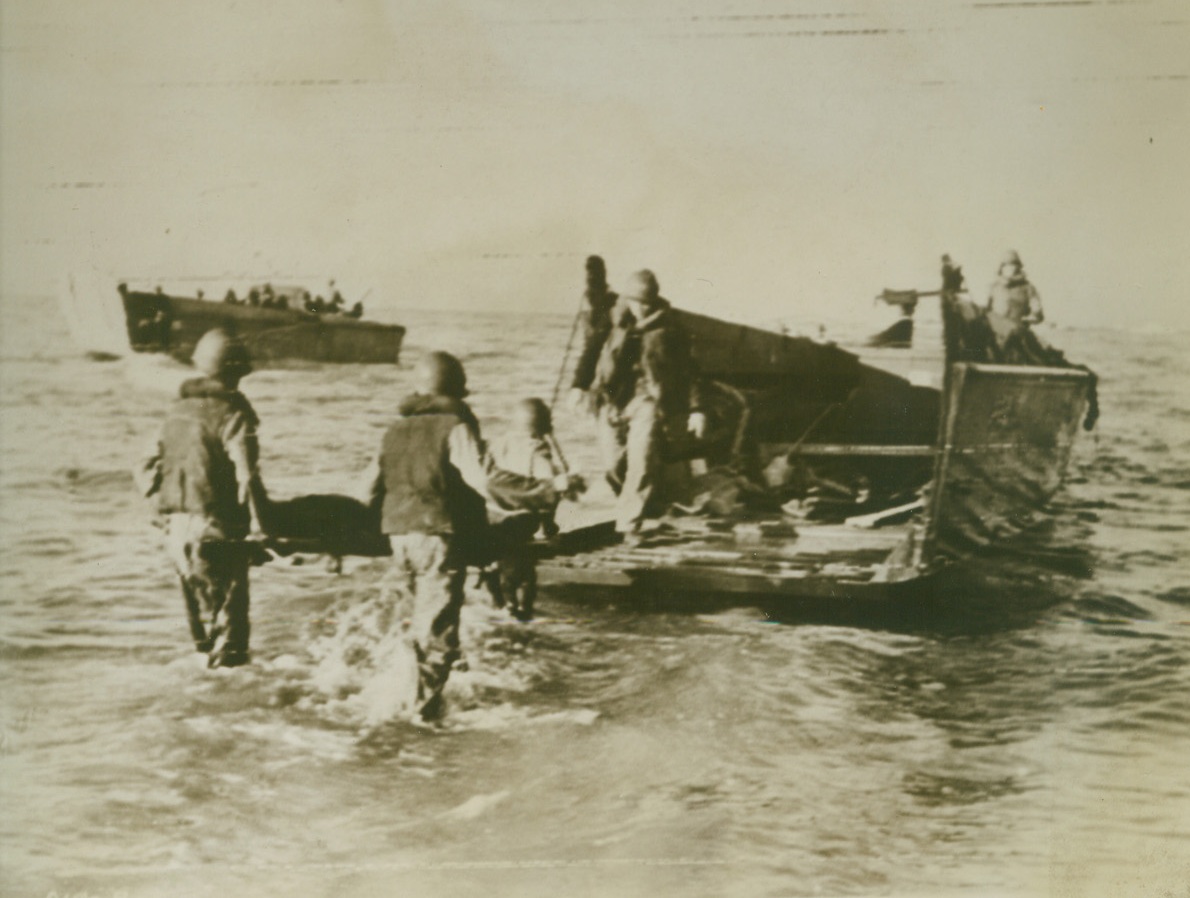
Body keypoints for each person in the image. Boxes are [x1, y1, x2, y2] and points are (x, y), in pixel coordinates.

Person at [362, 352, 568, 719]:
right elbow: (485, 481)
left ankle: (410, 695)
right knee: (437, 632)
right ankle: (421, 719)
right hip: (438, 537)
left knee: (419, 620)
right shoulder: (454, 427)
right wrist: (547, 489)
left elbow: (365, 491)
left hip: (399, 538)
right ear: (457, 391)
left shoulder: (393, 431)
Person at [136, 329, 270, 669]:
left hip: (175, 533)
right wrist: (263, 529)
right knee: (231, 644)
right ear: (234, 374)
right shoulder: (233, 415)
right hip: (216, 532)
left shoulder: (174, 412)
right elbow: (246, 477)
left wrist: (161, 512)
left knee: (201, 639)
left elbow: (143, 469)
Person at [586, 269, 705, 535]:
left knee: (641, 461)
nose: (641, 309)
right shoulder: (612, 321)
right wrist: (578, 387)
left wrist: (696, 409)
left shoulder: (671, 329)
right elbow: (591, 353)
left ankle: (629, 524)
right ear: (626, 299)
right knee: (613, 466)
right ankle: (647, 503)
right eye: (635, 302)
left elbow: (690, 371)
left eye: (646, 304)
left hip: (647, 400)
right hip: (612, 401)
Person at [566, 255, 619, 409]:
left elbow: (593, 345)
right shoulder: (608, 301)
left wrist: (579, 385)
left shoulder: (607, 306)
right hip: (605, 369)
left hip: (607, 371)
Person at [986, 249, 1043, 325]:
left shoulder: (1028, 288)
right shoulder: (994, 288)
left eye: (1014, 264)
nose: (1011, 268)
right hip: (996, 328)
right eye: (1006, 265)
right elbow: (986, 311)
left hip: (1018, 328)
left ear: (1018, 267)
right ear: (1001, 268)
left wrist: (1032, 316)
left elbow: (1037, 312)